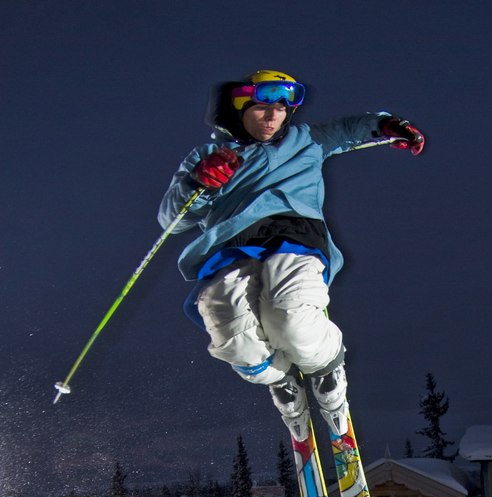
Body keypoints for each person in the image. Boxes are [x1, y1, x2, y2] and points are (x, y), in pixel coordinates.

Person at [158, 69, 424, 440]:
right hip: (230, 244)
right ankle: (281, 381)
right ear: (239, 108)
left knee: (288, 317)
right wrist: (198, 183)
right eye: (263, 108)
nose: (273, 117)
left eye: (282, 109)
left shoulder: (307, 139)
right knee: (232, 332)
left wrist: (389, 125)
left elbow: (352, 128)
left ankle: (327, 371)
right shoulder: (210, 155)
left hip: (293, 233)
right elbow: (172, 220)